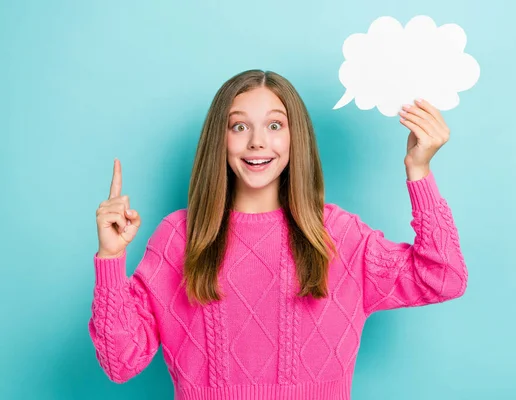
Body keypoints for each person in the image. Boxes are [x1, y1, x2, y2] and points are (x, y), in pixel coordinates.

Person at [89, 69, 468, 399]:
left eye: (274, 125)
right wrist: (110, 258)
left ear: (293, 138)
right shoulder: (179, 237)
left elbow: (443, 278)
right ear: (219, 140)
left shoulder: (338, 235)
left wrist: (419, 171)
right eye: (239, 126)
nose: (257, 141)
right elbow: (121, 362)